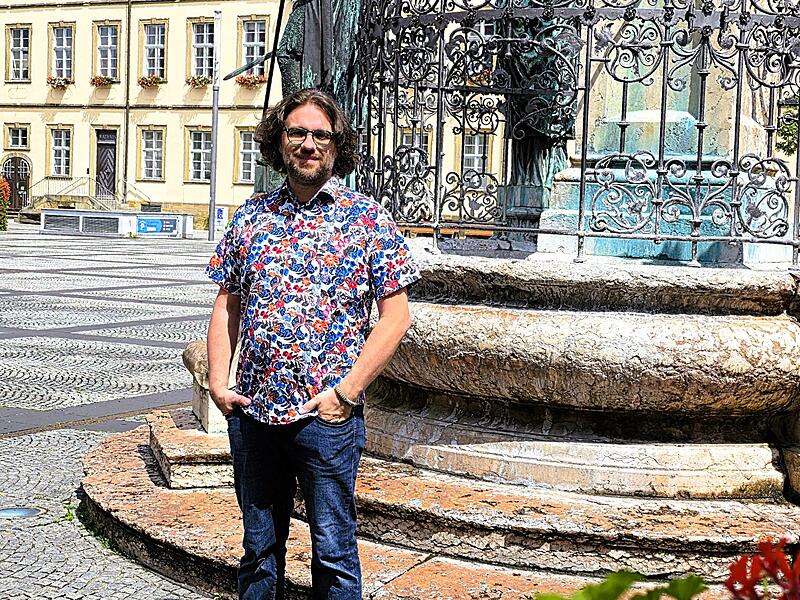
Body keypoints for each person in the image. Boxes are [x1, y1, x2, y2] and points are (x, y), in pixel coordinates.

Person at [205, 88, 420, 600]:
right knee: (258, 551)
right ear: (279, 141)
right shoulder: (250, 216)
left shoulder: (367, 220)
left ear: (336, 145)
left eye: (320, 135)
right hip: (255, 414)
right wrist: (217, 382)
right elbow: (227, 303)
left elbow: (396, 317)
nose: (308, 144)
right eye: (297, 132)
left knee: (333, 553)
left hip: (326, 419)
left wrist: (346, 393)